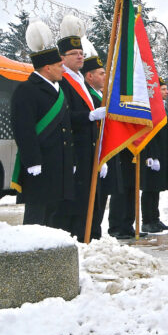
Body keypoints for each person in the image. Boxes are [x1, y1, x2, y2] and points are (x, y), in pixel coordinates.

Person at [11, 18, 74, 231]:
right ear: (47, 68)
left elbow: (65, 129)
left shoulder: (59, 89)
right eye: (60, 66)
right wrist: (32, 160)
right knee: (36, 215)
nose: (63, 70)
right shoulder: (27, 90)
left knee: (53, 214)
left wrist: (69, 159)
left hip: (58, 163)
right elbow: (23, 129)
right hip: (40, 163)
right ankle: (32, 256)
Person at [56, 16, 107, 238]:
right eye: (75, 54)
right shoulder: (64, 80)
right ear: (62, 58)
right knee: (76, 201)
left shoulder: (78, 79)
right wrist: (89, 115)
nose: (80, 56)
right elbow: (64, 116)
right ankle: (78, 236)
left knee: (89, 198)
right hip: (75, 148)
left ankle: (89, 235)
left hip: (89, 148)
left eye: (81, 53)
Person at [140, 78, 168, 233]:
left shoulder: (161, 107)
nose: (167, 92)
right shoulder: (152, 109)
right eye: (163, 89)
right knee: (150, 188)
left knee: (156, 188)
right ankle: (147, 221)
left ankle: (155, 218)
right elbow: (149, 135)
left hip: (162, 154)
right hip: (153, 156)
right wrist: (151, 156)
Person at [81, 51, 110, 240]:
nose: (105, 76)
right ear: (89, 76)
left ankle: (96, 234)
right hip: (92, 151)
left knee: (102, 198)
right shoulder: (90, 95)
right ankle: (90, 235)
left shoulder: (99, 94)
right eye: (101, 73)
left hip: (104, 152)